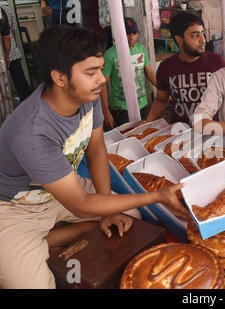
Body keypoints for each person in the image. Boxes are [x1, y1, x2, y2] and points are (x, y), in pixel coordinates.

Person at [0, 26, 186, 289]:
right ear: (59, 77)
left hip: (58, 192)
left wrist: (109, 202)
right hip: (15, 209)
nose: (102, 79)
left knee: (130, 215)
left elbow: (96, 148)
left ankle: (49, 237)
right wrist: (156, 196)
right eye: (91, 72)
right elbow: (81, 203)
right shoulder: (30, 133)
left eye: (100, 69)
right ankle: (34, 241)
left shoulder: (86, 96)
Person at [145, 11, 225, 125]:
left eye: (202, 33)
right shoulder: (166, 67)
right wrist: (147, 123)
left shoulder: (217, 62)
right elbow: (161, 100)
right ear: (179, 40)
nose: (202, 39)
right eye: (195, 35)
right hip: (180, 134)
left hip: (213, 132)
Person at [101, 17, 157, 129]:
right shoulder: (110, 55)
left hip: (142, 105)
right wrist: (105, 111)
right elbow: (103, 85)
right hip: (121, 110)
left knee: (144, 135)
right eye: (127, 34)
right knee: (128, 140)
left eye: (134, 33)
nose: (131, 38)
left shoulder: (141, 49)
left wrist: (165, 90)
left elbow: (149, 73)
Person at [2, 6, 32, 104]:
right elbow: (12, 32)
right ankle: (28, 105)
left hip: (8, 53)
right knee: (21, 84)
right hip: (11, 52)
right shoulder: (6, 8)